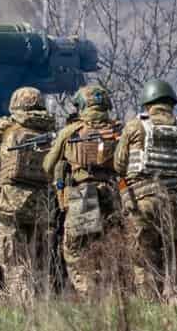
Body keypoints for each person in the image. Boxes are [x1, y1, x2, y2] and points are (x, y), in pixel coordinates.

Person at [0, 87, 61, 302]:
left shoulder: (7, 125)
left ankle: (21, 306)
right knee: (40, 259)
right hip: (43, 202)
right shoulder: (51, 128)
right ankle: (42, 305)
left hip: (12, 202)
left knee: (13, 259)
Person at [113, 79, 177, 297]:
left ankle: (148, 303)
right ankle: (172, 299)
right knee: (172, 252)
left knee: (143, 255)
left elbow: (119, 165)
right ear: (171, 103)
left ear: (147, 104)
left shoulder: (134, 127)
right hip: (176, 201)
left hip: (142, 200)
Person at [44, 84, 124, 295]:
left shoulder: (71, 131)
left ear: (81, 104)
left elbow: (48, 165)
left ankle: (90, 295)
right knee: (110, 246)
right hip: (112, 193)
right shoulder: (118, 129)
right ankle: (114, 294)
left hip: (84, 193)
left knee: (77, 250)